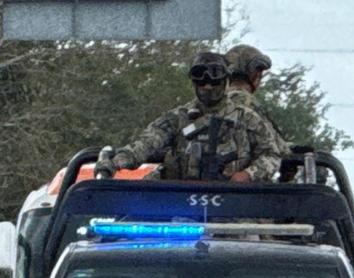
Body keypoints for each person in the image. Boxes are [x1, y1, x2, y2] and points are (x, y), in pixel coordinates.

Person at [95, 52, 284, 183]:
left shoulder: (247, 119)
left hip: (235, 208)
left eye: (214, 80)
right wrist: (115, 163)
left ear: (226, 81)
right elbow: (146, 144)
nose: (208, 87)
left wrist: (248, 174)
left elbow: (272, 154)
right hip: (182, 204)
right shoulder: (178, 118)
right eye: (201, 81)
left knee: (255, 237)